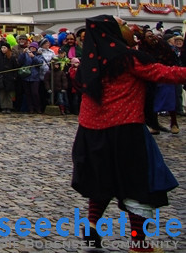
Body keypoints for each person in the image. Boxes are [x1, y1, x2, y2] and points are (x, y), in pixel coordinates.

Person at [71, 15, 186, 252]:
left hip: (91, 132)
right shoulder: (127, 59)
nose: (127, 27)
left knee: (103, 181)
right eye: (122, 24)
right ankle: (139, 242)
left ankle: (92, 227)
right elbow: (163, 73)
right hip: (124, 130)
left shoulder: (90, 61)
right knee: (138, 186)